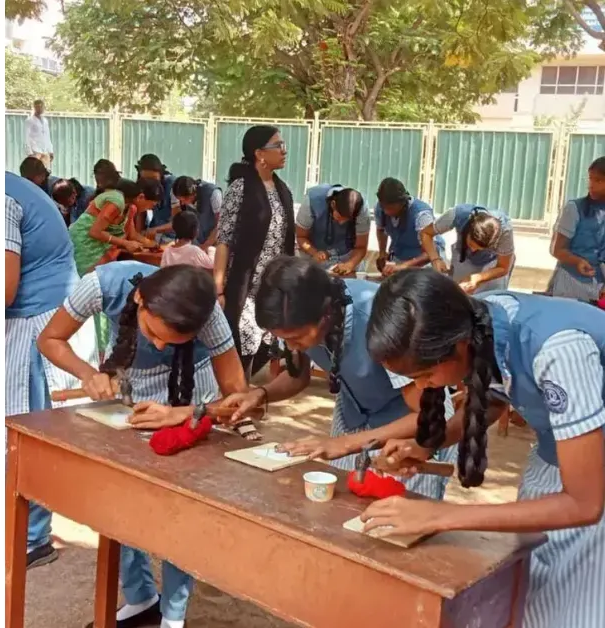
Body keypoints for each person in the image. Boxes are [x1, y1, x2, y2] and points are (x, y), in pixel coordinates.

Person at [363, 269, 605, 628]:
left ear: (457, 346)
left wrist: (440, 516)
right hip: (557, 456)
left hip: (590, 482)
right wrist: (426, 445)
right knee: (530, 593)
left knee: (576, 612)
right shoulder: (480, 319)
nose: (422, 386)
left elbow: (585, 504)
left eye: (424, 375)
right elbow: (493, 395)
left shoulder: (558, 351)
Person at [36, 261, 252, 628]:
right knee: (116, 497)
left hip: (190, 395)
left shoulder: (208, 313)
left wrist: (185, 412)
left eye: (173, 342)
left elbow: (237, 395)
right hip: (126, 399)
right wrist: (89, 374)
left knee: (180, 507)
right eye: (153, 332)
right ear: (139, 298)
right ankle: (141, 597)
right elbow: (50, 339)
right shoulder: (102, 285)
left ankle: (173, 616)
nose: (159, 345)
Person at [216, 257, 456, 499]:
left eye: (297, 339)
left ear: (325, 316)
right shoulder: (299, 317)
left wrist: (345, 443)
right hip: (354, 419)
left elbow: (426, 415)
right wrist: (260, 394)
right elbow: (297, 377)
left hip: (412, 431)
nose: (290, 346)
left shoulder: (380, 320)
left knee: (399, 515)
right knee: (343, 506)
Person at [4, 171, 80, 569]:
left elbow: (2, 289)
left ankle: (32, 538)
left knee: (23, 430)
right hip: (41, 314)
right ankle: (27, 532)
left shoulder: (0, 199)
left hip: (37, 318)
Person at [214, 125, 295, 378]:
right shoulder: (240, 188)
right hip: (245, 287)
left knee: (269, 344)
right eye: (278, 146)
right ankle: (236, 400)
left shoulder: (283, 190)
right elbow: (224, 240)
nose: (284, 151)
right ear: (259, 153)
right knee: (244, 342)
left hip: (273, 286)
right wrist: (218, 288)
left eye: (283, 145)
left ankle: (242, 396)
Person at [68, 178, 160, 277]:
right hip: (84, 243)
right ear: (141, 197)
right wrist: (126, 243)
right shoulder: (117, 201)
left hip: (100, 247)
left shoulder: (130, 208)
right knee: (89, 282)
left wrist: (151, 244)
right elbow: (94, 232)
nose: (150, 209)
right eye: (152, 205)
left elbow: (132, 234)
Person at [547, 157, 605, 301]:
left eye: (598, 181)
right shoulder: (574, 209)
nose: (591, 185)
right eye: (590, 179)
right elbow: (556, 249)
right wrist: (577, 261)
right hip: (570, 284)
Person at [429, 204, 514, 294]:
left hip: (493, 263)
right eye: (470, 244)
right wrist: (435, 259)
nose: (473, 250)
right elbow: (426, 233)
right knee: (457, 295)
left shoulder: (505, 230)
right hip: (463, 256)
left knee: (491, 299)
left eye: (479, 248)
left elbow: (503, 267)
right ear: (468, 231)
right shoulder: (457, 215)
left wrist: (478, 278)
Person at [372, 177, 447, 277]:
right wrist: (382, 253)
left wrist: (404, 266)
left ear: (402, 202)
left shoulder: (421, 215)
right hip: (401, 253)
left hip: (428, 257)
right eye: (384, 207)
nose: (386, 212)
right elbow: (381, 230)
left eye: (391, 208)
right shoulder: (380, 208)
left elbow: (429, 254)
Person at [296, 184, 369, 276]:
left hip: (347, 256)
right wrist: (315, 253)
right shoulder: (312, 200)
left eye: (347, 220)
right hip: (314, 255)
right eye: (339, 217)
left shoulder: (361, 208)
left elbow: (361, 247)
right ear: (333, 204)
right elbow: (301, 236)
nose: (341, 223)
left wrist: (350, 264)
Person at [171, 176, 222, 248]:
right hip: (196, 243)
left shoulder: (214, 194)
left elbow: (220, 225)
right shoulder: (184, 195)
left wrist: (205, 246)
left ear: (193, 194)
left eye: (184, 199)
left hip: (213, 243)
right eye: (180, 200)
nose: (182, 203)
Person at [134, 154, 176, 234]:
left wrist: (154, 230)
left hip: (171, 237)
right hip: (154, 233)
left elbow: (177, 223)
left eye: (154, 179)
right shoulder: (141, 185)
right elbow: (141, 212)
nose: (150, 183)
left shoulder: (173, 185)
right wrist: (138, 236)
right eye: (146, 179)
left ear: (161, 175)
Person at [24, 99, 54, 169]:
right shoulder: (29, 120)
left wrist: (51, 151)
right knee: (34, 172)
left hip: (45, 150)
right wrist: (29, 152)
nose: (40, 108)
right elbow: (26, 137)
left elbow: (47, 137)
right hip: (35, 151)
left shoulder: (45, 121)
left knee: (46, 172)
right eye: (37, 107)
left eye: (41, 106)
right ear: (34, 108)